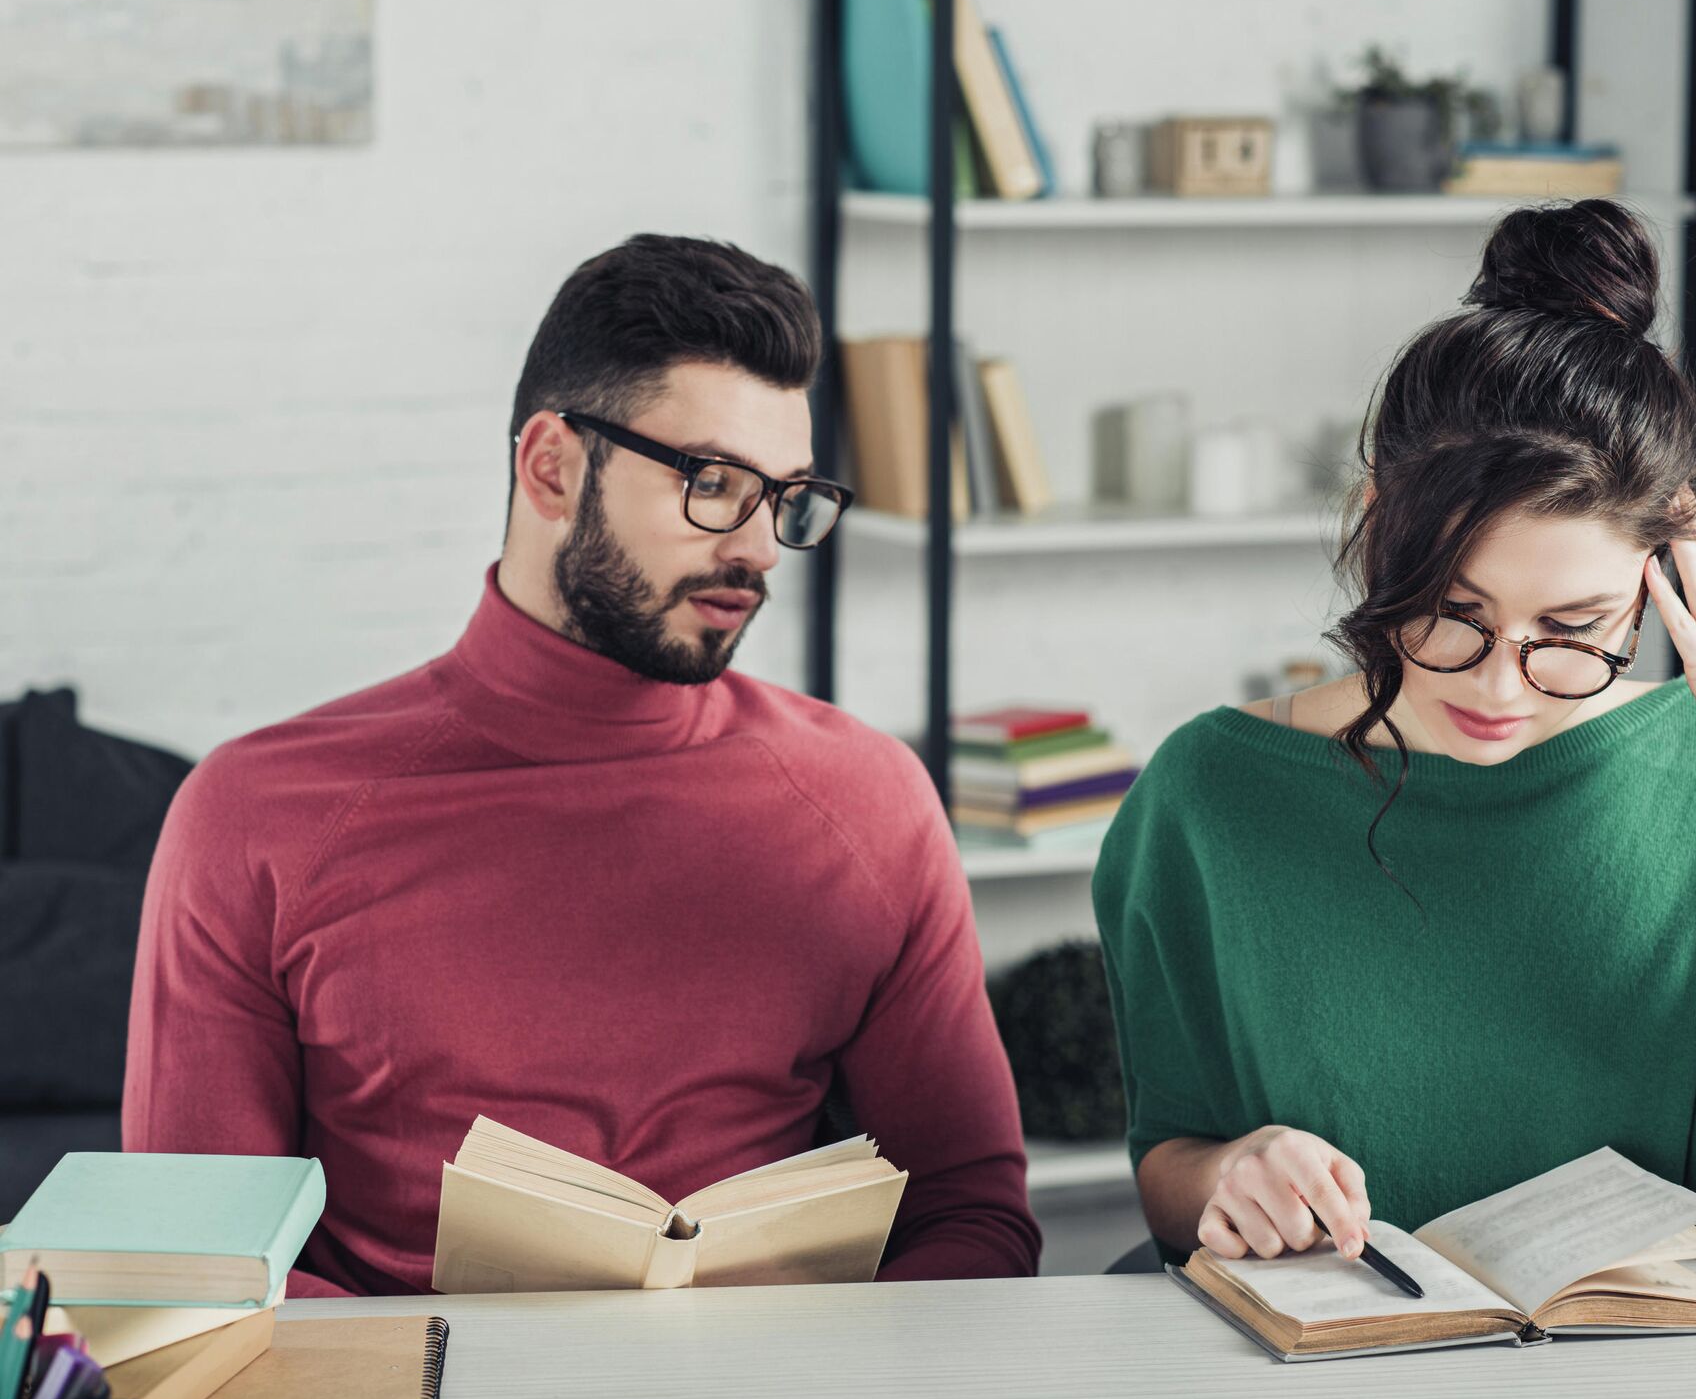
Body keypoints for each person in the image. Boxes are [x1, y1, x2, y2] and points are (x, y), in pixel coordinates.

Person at [123, 233, 1041, 1294]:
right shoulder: (256, 816)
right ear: (552, 466)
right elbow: (199, 1266)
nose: (757, 547)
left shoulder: (867, 796)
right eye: (712, 480)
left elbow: (971, 1217)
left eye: (785, 496)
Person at [1093, 200, 1696, 1270]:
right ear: (1381, 526)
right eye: (1454, 611)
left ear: (1660, 587)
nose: (1498, 684)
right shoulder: (1210, 793)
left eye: (1571, 632)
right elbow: (1169, 1163)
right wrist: (1229, 1173)